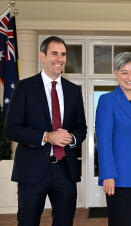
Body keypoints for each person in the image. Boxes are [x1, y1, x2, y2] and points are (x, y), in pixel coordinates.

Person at [4, 36, 87, 226]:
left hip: (65, 170)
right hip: (31, 171)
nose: (60, 58)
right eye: (54, 53)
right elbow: (11, 130)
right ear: (43, 56)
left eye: (63, 54)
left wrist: (72, 138)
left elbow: (81, 127)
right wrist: (46, 137)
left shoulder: (74, 90)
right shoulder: (24, 87)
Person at [95, 52, 131, 226]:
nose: (129, 77)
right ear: (115, 73)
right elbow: (103, 141)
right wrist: (107, 175)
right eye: (124, 72)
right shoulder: (107, 101)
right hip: (119, 177)